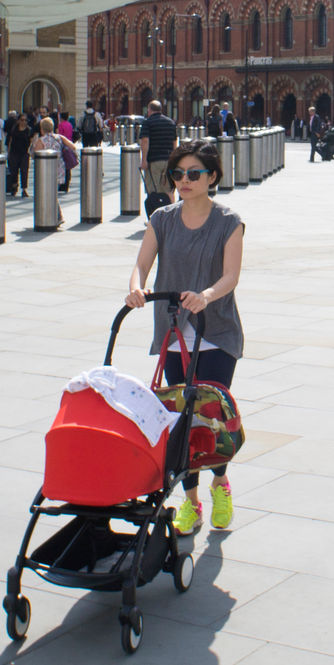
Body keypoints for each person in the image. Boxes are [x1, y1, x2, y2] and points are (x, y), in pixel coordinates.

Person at [126, 139, 246, 535]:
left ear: (212, 176)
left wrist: (206, 295)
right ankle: (191, 503)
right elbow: (142, 263)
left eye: (194, 173)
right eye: (178, 173)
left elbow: (231, 275)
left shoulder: (228, 221)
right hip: (175, 331)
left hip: (217, 332)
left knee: (211, 416)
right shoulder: (162, 218)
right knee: (181, 418)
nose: (184, 180)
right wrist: (136, 288)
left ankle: (220, 484)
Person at [138, 99, 179, 208]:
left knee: (153, 189)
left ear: (149, 110)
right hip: (168, 160)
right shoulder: (170, 122)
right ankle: (171, 212)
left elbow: (145, 141)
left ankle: (155, 214)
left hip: (154, 160)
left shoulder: (147, 122)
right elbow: (174, 142)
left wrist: (144, 160)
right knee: (168, 189)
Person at [7, 112, 33, 196]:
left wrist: (31, 152)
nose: (24, 122)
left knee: (24, 171)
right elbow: (10, 141)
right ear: (18, 120)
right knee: (13, 170)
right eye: (22, 120)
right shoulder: (14, 129)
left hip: (24, 153)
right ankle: (14, 185)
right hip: (14, 153)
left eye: (25, 120)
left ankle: (24, 189)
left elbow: (32, 142)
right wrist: (8, 153)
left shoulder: (29, 130)